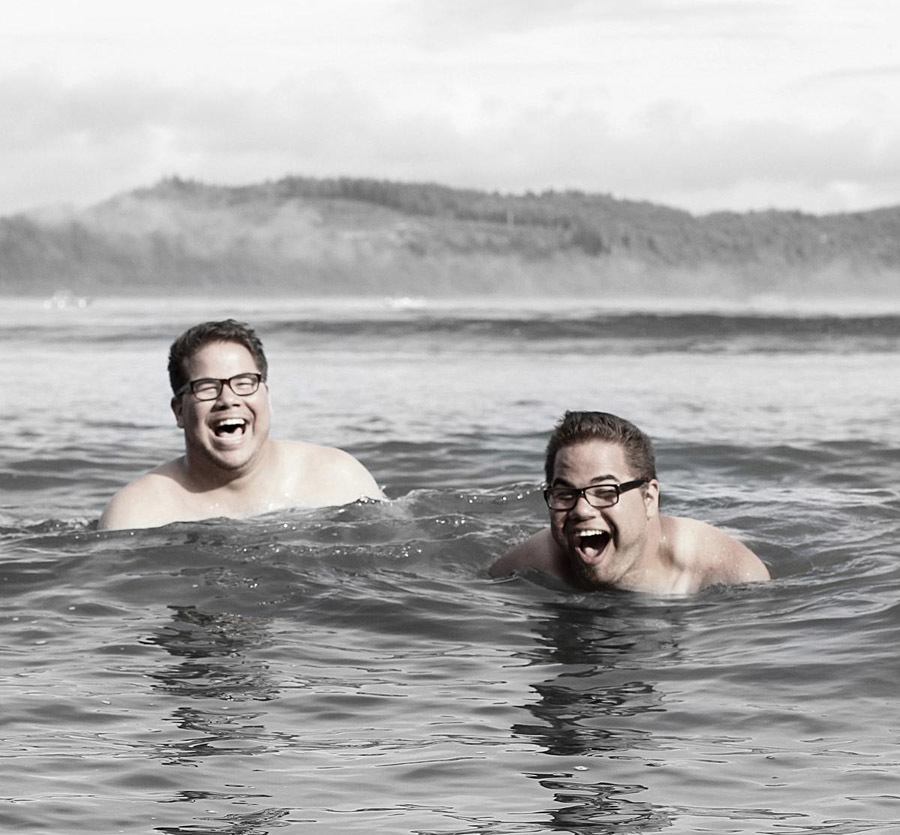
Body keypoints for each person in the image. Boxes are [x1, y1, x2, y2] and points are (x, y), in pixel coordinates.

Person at [98, 319, 384, 530]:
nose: (229, 399)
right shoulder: (138, 513)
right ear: (179, 412)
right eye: (207, 387)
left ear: (266, 398)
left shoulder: (338, 478)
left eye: (244, 383)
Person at [490, 411, 770, 594]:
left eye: (604, 491)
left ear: (649, 498)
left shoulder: (729, 573)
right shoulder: (527, 566)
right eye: (565, 494)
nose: (581, 510)